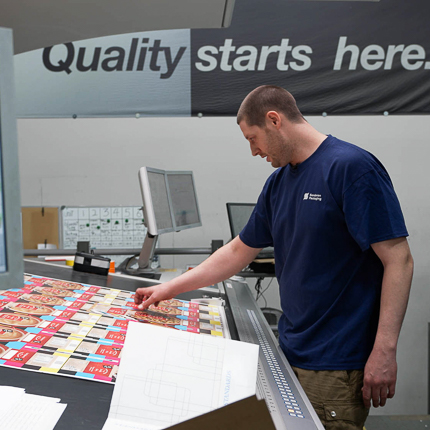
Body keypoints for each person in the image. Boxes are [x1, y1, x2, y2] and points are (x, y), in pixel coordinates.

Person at [135, 85, 414, 429]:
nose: (254, 151)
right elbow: (238, 250)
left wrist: (385, 351)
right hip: (293, 349)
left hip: (335, 362)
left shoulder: (351, 168)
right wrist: (170, 289)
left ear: (274, 120)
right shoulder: (279, 182)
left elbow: (398, 260)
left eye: (253, 138)